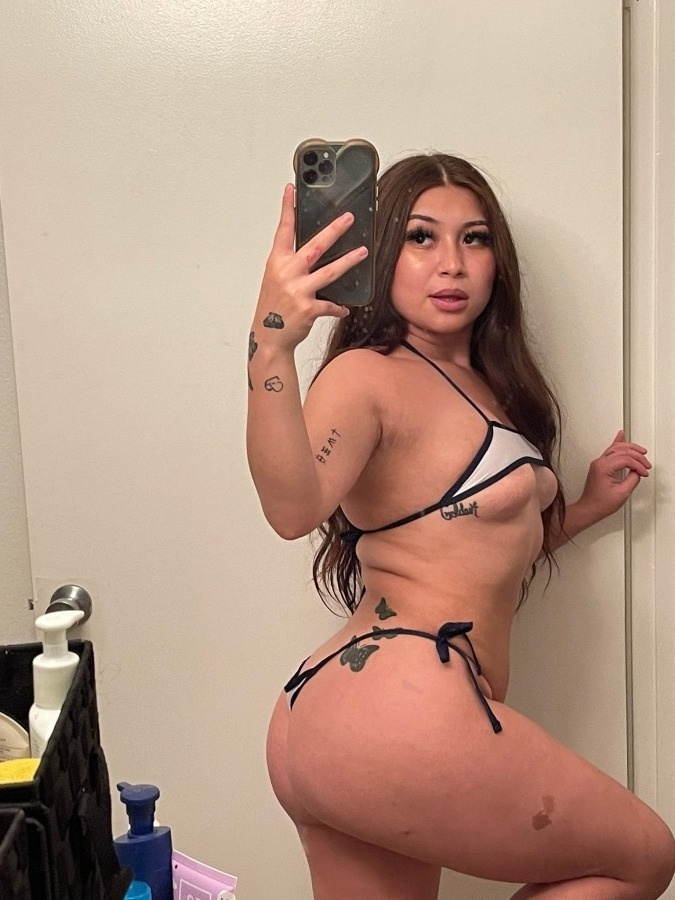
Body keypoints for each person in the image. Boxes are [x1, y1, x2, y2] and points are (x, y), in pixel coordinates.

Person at [246, 152, 675, 899]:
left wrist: (579, 510)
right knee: (640, 858)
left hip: (334, 714)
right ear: (382, 252)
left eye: (473, 239)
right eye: (421, 237)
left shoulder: (483, 382)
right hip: (397, 704)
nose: (451, 263)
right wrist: (272, 340)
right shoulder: (371, 373)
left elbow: (464, 544)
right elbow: (292, 508)